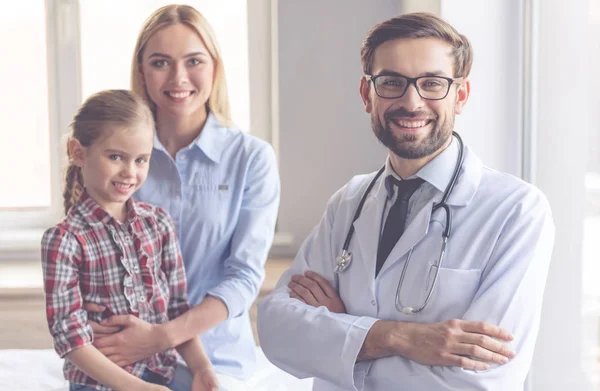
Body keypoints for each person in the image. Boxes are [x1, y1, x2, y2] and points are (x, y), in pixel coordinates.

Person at [257, 12, 554, 391]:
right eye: (392, 82)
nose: (412, 102)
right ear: (368, 95)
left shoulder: (517, 211)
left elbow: (480, 380)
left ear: (460, 96)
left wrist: (345, 336)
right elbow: (277, 330)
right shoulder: (348, 202)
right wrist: (400, 338)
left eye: (432, 83)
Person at [83, 4, 280, 389]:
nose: (178, 78)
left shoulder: (251, 158)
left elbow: (243, 277)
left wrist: (161, 337)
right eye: (160, 62)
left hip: (218, 357)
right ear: (141, 70)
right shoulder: (111, 155)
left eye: (194, 61)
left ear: (215, 68)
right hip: (122, 352)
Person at [41, 90, 219, 391]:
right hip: (99, 383)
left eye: (141, 160)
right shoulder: (64, 240)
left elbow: (177, 310)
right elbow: (70, 339)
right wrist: (137, 388)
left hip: (161, 372)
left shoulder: (159, 224)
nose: (130, 172)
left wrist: (202, 368)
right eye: (115, 157)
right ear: (78, 152)